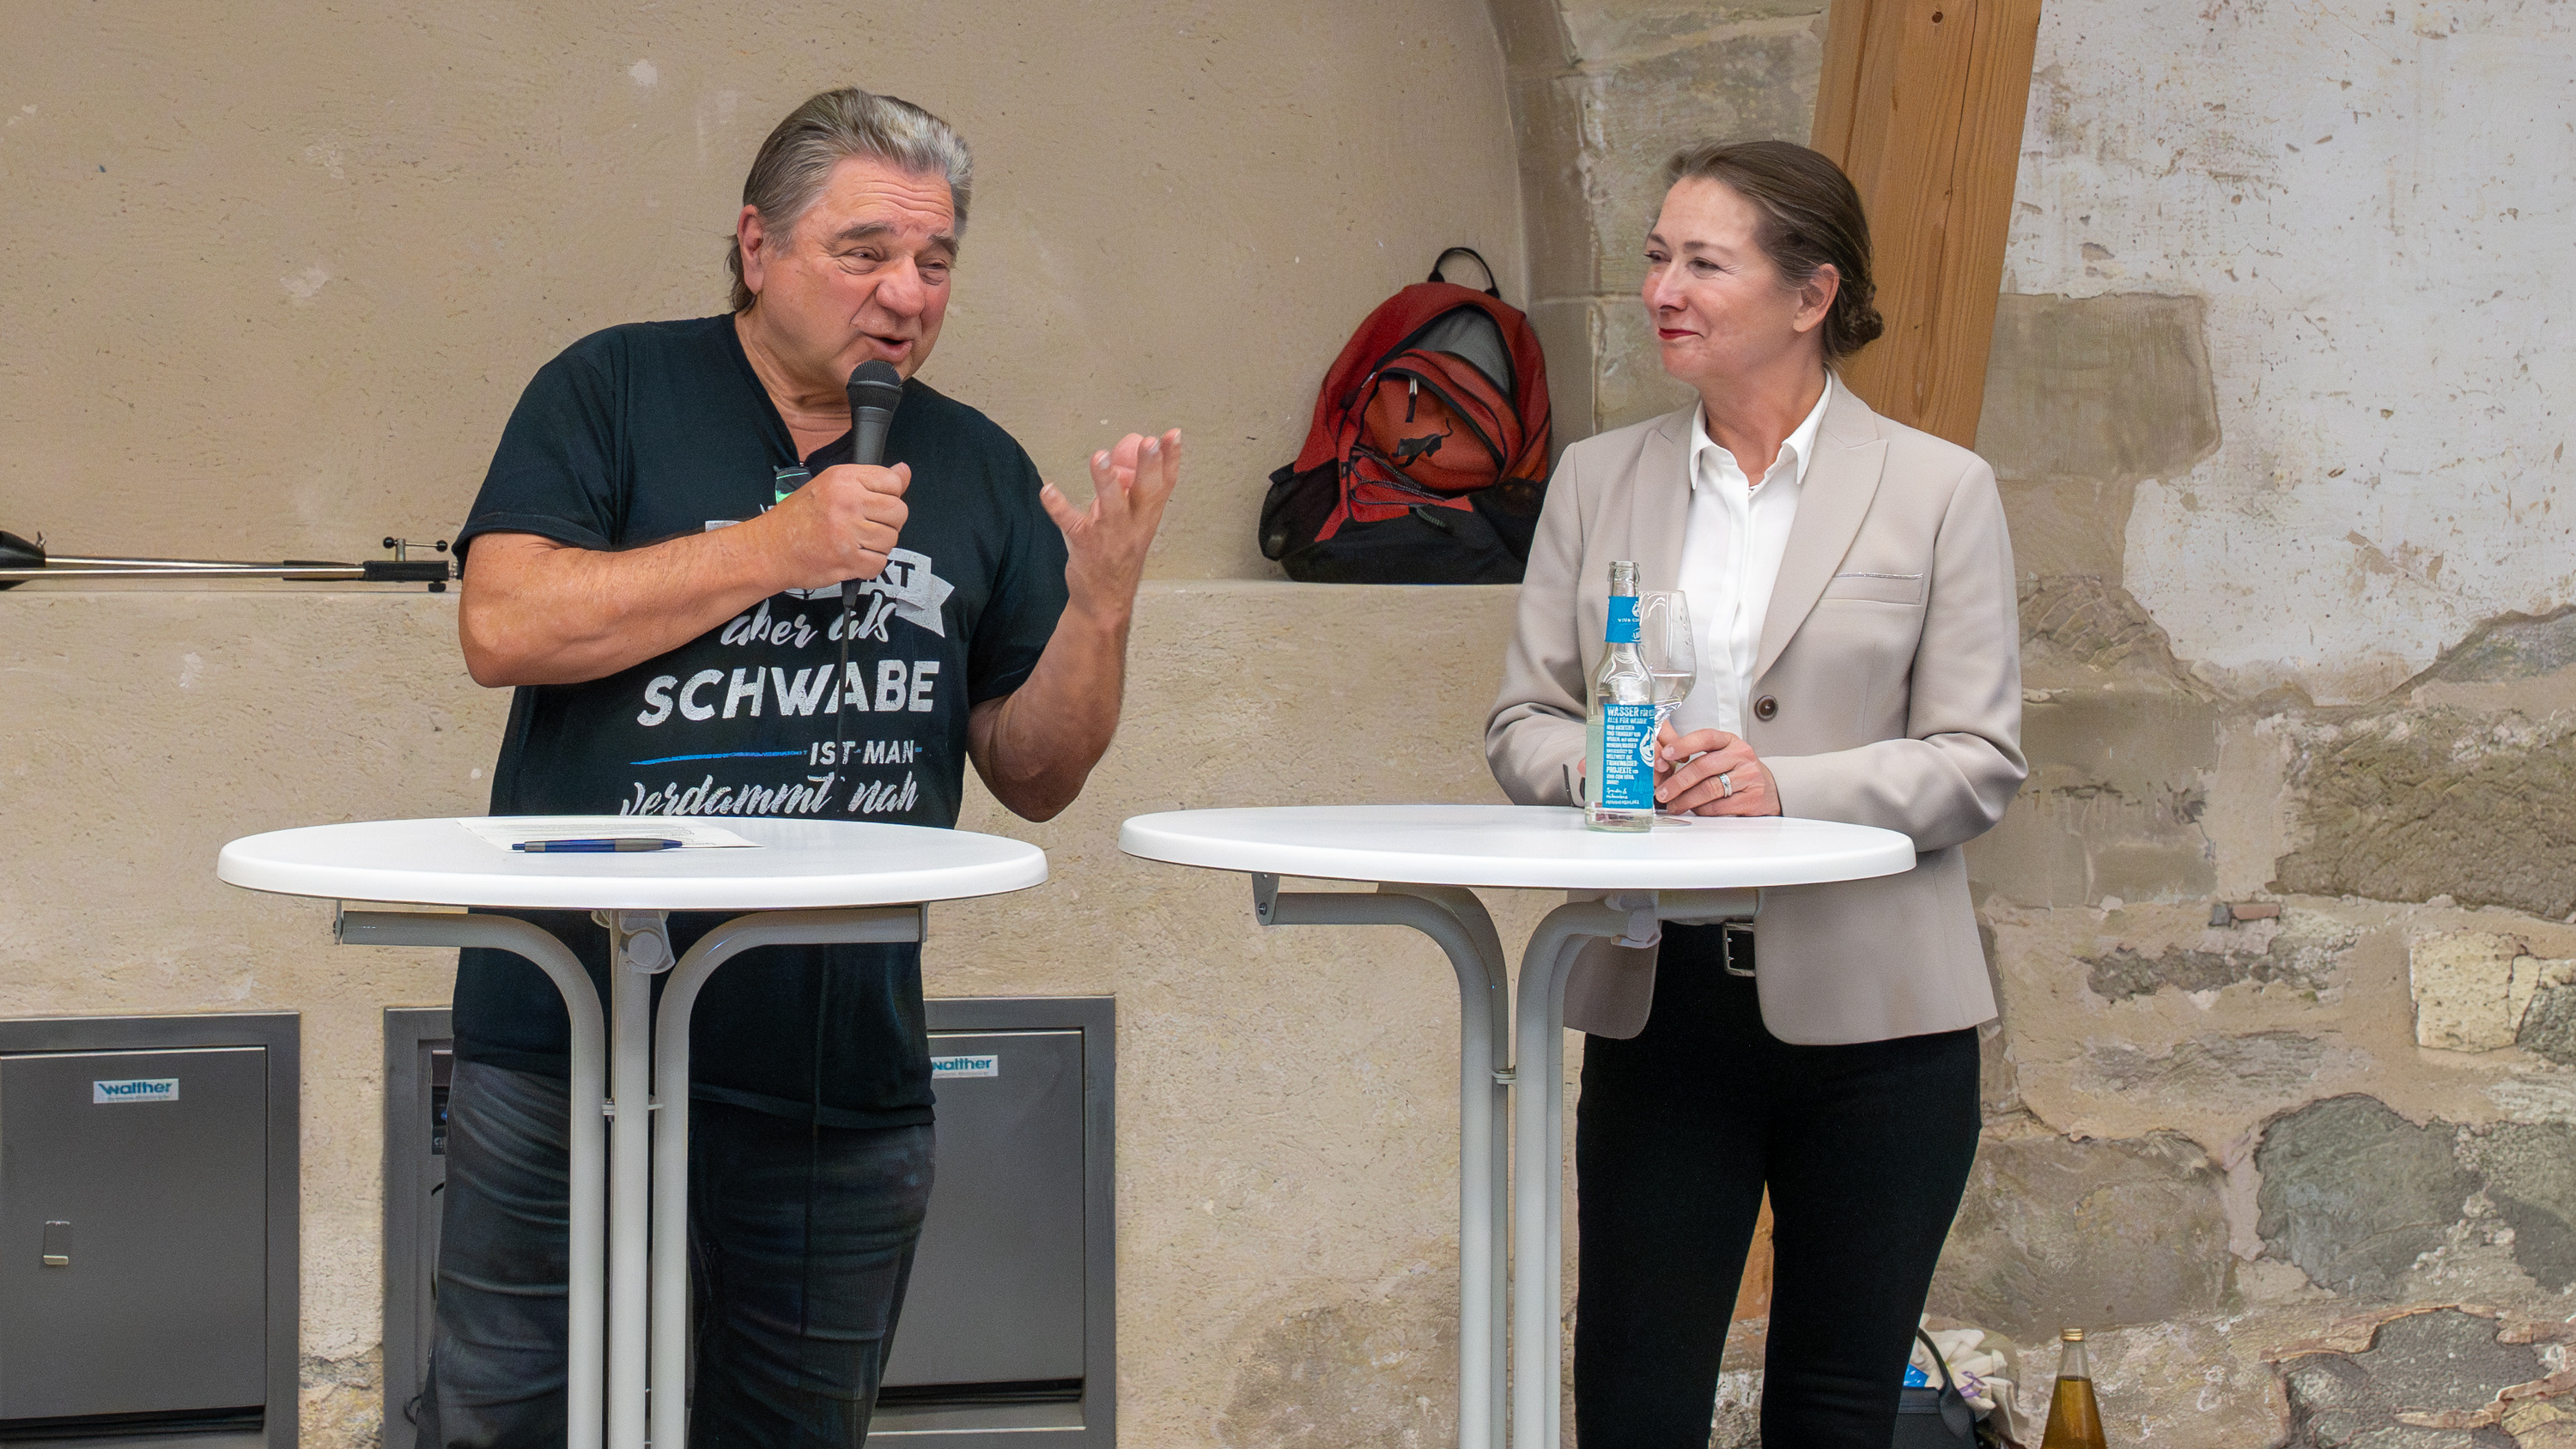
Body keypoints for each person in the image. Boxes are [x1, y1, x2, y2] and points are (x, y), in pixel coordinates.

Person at [428, 88, 1180, 1446]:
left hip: (835, 1077)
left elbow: (1037, 770)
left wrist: (1101, 612)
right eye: (864, 252)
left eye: (935, 262)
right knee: (511, 1424)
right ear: (757, 245)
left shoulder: (977, 464)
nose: (906, 294)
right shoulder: (612, 390)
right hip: (571, 1045)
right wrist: (777, 548)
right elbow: (504, 624)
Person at [1485, 139, 2026, 1446]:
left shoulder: (1939, 489)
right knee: (1632, 1404)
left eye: (1703, 263)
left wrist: (1782, 787)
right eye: (1656, 258)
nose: (1662, 290)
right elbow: (1522, 724)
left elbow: (1977, 760)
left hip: (1883, 1021)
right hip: (1660, 1003)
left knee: (1837, 1412)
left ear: (1811, 293)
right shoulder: (1596, 478)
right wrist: (1613, 767)